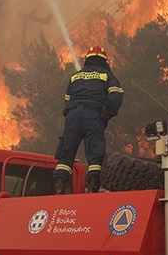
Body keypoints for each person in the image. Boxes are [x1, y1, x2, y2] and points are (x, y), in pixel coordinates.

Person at [53, 45, 124, 194]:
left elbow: (67, 100)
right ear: (104, 61)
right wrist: (107, 113)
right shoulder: (107, 76)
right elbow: (116, 96)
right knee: (95, 154)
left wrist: (71, 115)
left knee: (67, 152)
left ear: (87, 60)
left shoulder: (75, 76)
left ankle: (59, 187)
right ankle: (92, 188)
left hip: (73, 116)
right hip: (93, 115)